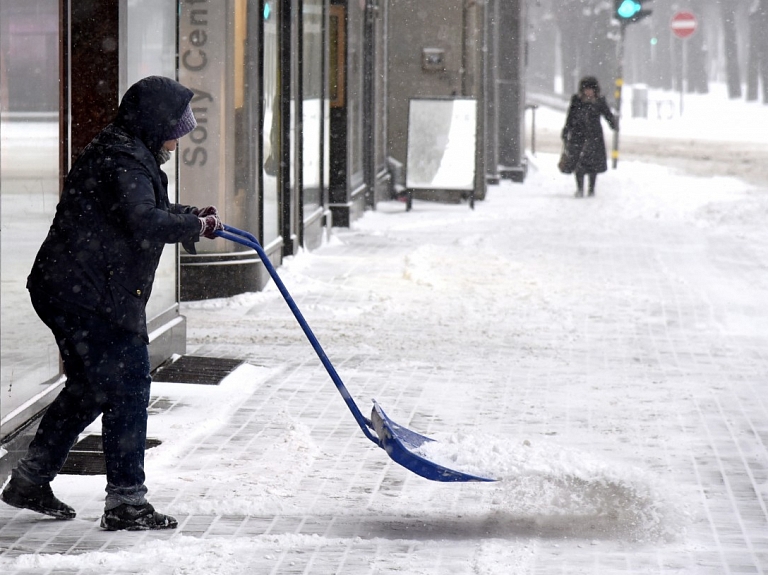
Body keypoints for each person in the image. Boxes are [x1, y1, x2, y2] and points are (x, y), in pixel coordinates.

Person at [1, 76, 223, 531]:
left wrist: (188, 217)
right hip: (86, 293)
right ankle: (126, 504)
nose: (177, 141)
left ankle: (31, 479)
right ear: (152, 124)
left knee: (93, 386)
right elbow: (141, 218)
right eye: (173, 131)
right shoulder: (122, 158)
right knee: (128, 384)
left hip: (79, 288)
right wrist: (190, 228)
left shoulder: (127, 151)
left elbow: (141, 208)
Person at [561, 76, 618, 197]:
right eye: (586, 89)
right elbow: (570, 116)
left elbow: (607, 114)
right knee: (579, 164)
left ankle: (591, 189)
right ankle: (580, 188)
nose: (588, 91)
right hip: (578, 135)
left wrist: (613, 123)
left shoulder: (599, 101)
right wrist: (566, 130)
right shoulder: (576, 100)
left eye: (591, 89)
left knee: (593, 165)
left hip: (594, 136)